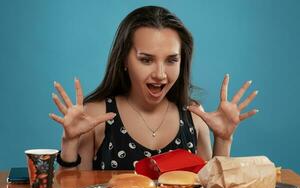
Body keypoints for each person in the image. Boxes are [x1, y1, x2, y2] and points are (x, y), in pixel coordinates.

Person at [49, 6, 258, 170]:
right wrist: (69, 142)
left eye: (171, 60)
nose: (160, 74)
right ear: (124, 59)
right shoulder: (96, 115)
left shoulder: (195, 117)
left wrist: (223, 139)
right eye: (146, 60)